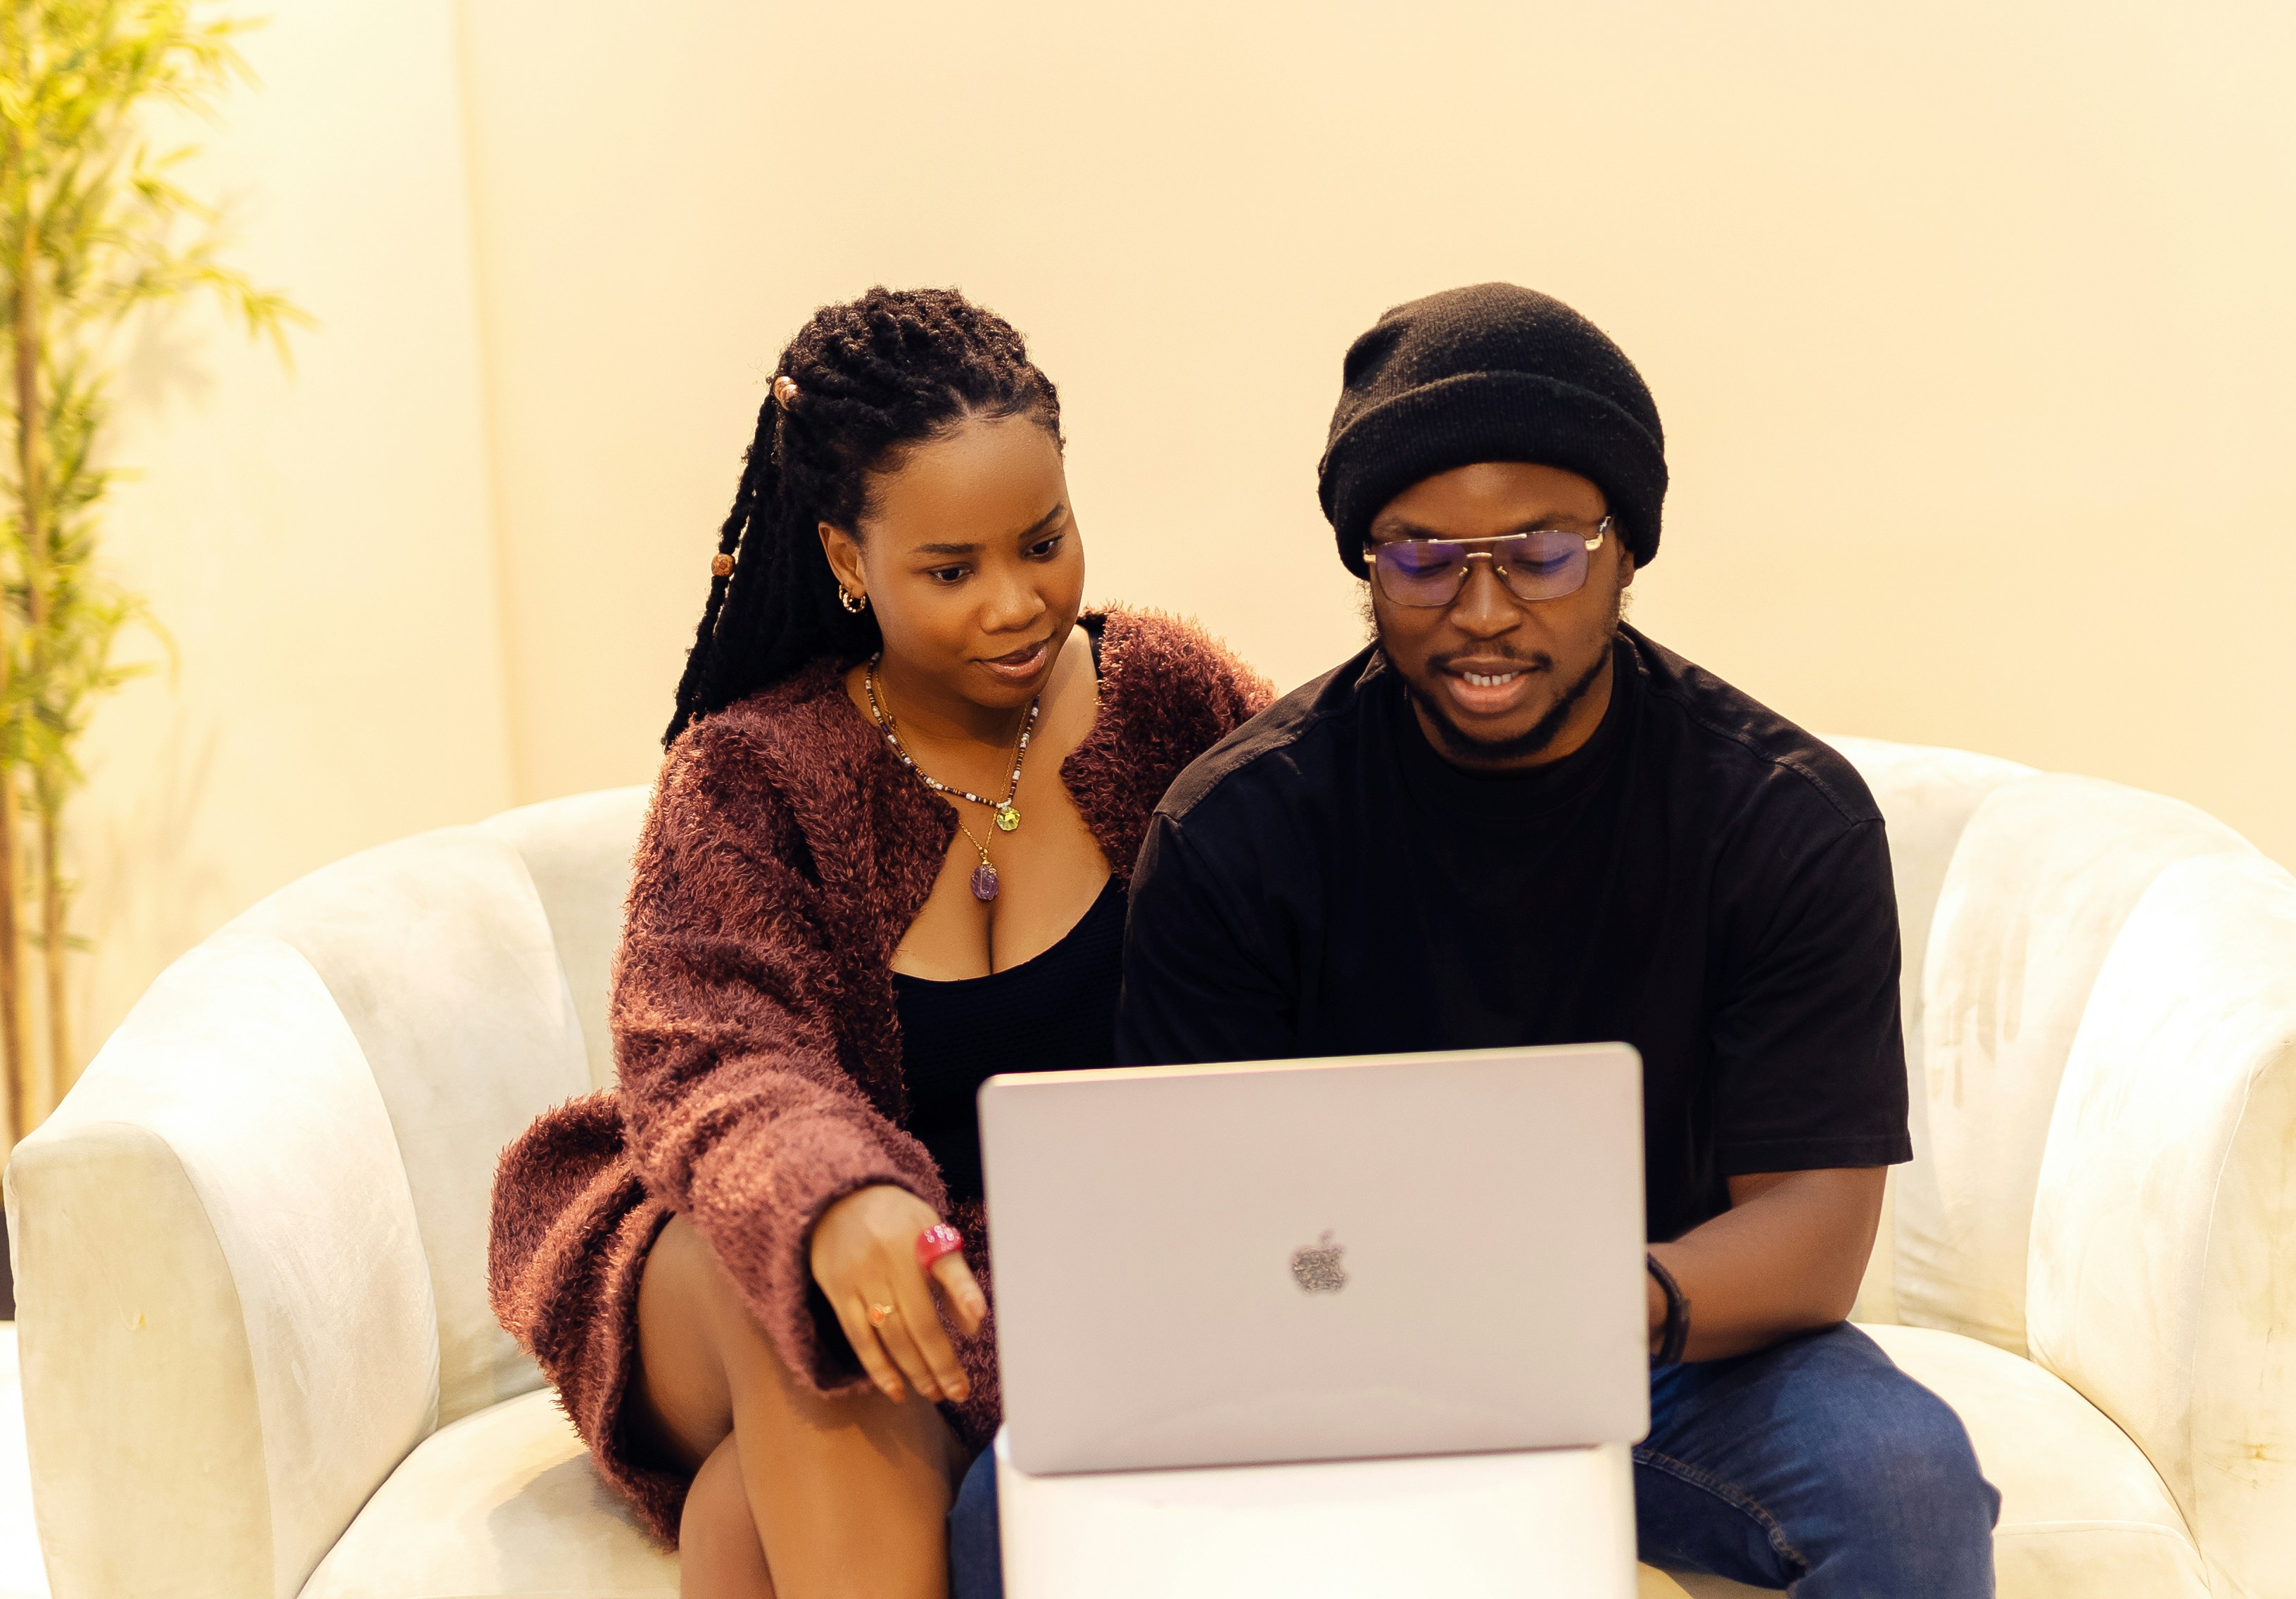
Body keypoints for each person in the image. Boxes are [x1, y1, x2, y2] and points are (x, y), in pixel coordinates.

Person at [1115, 283, 2001, 1595]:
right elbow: (1184, 1215)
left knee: (1908, 1480)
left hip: (1664, 1348)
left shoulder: (1778, 818)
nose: (1482, 611)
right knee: (995, 1509)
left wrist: (1603, 1302)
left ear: (1623, 550)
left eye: (1540, 554)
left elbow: (1816, 1231)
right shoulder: (1238, 829)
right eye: (1423, 558)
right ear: (1369, 561)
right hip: (1330, 1356)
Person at [487, 286, 1269, 1599]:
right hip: (745, 1245)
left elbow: (1323, 911)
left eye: (1046, 540)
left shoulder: (1171, 699)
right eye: (952, 572)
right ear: (848, 559)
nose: (1019, 604)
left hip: (1025, 1268)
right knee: (802, 1296)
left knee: (749, 1514)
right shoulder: (756, 771)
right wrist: (836, 1199)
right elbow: (716, 1048)